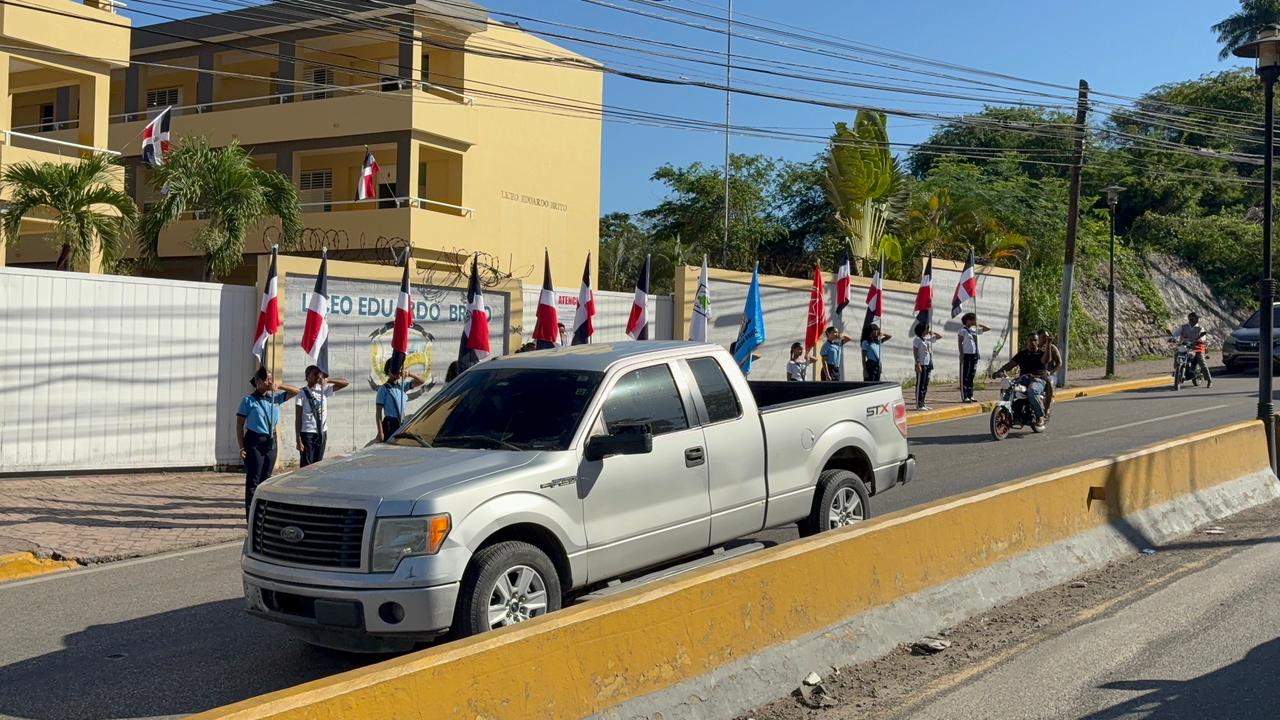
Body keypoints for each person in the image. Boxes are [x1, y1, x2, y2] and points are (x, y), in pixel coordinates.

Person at [237, 367, 299, 516]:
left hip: (270, 440)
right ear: (258, 382)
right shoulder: (248, 400)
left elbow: (297, 392)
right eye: (267, 379)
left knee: (266, 478)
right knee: (254, 479)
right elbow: (239, 424)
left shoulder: (274, 398)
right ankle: (251, 515)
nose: (270, 382)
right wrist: (241, 447)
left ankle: (264, 513)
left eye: (271, 379)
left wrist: (280, 386)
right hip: (254, 440)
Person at [294, 365, 350, 468]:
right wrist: (298, 438)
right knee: (307, 463)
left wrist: (327, 380)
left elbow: (345, 383)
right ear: (307, 376)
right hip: (307, 433)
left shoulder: (323, 390)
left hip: (321, 432)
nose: (317, 376)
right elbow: (298, 417)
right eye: (315, 374)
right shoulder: (302, 393)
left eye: (319, 374)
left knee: (318, 463)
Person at [992, 335, 1052, 428]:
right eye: (1030, 340)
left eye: (1035, 340)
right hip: (1023, 379)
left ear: (1038, 342)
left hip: (1038, 379)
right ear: (1027, 342)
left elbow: (1046, 360)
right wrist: (998, 372)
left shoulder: (1042, 354)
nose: (1032, 342)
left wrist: (1048, 344)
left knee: (1032, 391)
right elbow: (1010, 365)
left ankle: (1040, 417)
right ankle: (1013, 413)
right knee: (1008, 388)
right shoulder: (1022, 354)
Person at [376, 360, 424, 441]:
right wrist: (380, 432)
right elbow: (378, 413)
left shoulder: (402, 386)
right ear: (389, 371)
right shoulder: (383, 389)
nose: (399, 371)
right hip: (390, 423)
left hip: (401, 422)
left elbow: (421, 381)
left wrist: (409, 373)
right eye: (396, 369)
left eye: (400, 369)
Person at [957, 313, 991, 403]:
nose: (973, 321)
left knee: (971, 375)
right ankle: (965, 396)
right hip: (966, 355)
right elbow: (960, 343)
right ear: (967, 320)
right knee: (965, 376)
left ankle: (970, 394)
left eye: (974, 320)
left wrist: (978, 324)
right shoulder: (962, 331)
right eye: (972, 319)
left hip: (974, 355)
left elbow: (988, 329)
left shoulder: (973, 330)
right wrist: (961, 354)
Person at [1173, 312, 1212, 388]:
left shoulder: (1200, 328)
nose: (1197, 320)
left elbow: (1203, 337)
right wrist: (1173, 338)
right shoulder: (1183, 327)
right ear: (1190, 319)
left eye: (1197, 318)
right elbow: (1176, 333)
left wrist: (1200, 339)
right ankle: (1177, 369)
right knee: (1177, 353)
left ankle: (1209, 380)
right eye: (1195, 318)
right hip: (1185, 346)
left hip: (1197, 347)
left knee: (1201, 361)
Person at [912, 323, 943, 410]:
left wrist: (931, 332)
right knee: (920, 384)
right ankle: (919, 404)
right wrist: (917, 363)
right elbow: (915, 351)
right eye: (926, 329)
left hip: (928, 363)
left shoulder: (927, 339)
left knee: (925, 385)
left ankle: (923, 403)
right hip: (921, 364)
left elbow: (940, 336)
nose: (927, 330)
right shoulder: (917, 339)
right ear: (921, 330)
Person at [1035, 329, 1062, 414]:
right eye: (1043, 337)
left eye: (1047, 337)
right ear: (1038, 338)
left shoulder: (1052, 348)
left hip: (1049, 374)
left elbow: (1059, 363)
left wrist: (1051, 372)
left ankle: (1046, 409)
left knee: (1049, 383)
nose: (1045, 338)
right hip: (1036, 373)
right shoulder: (1034, 347)